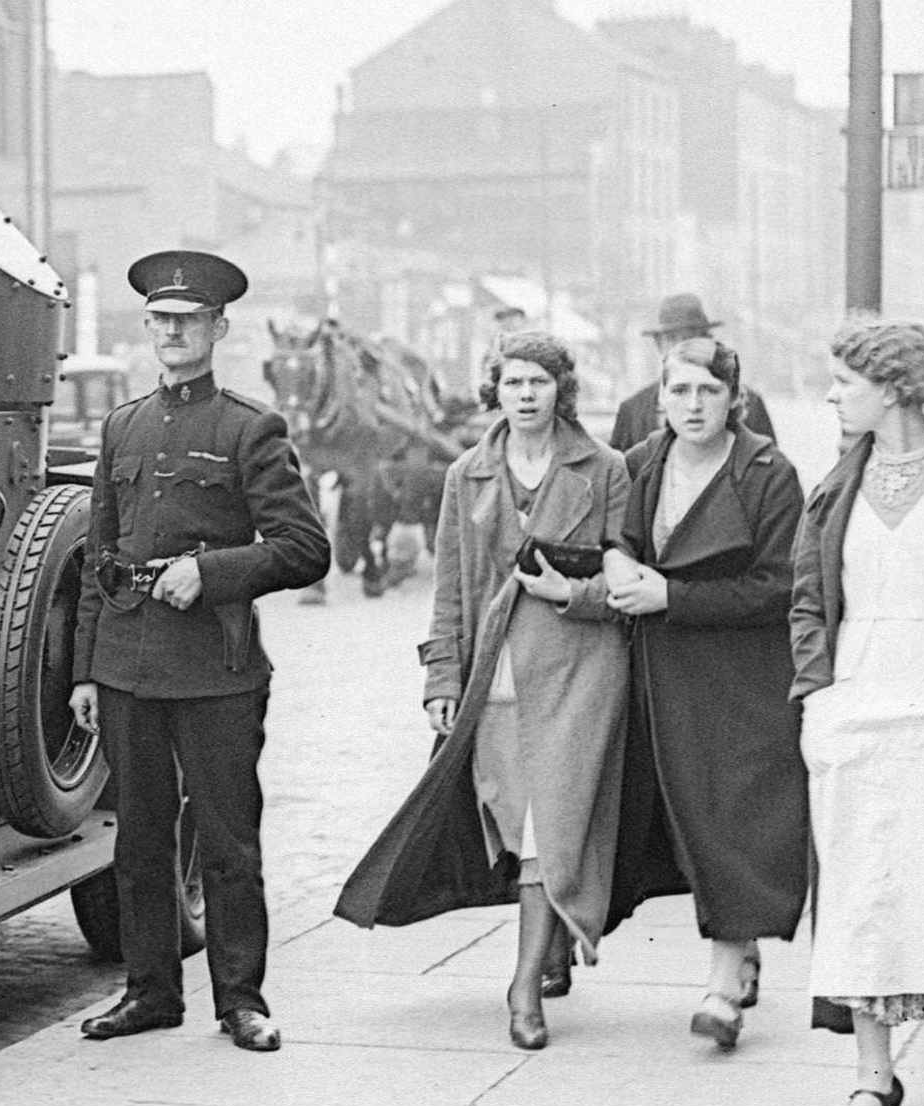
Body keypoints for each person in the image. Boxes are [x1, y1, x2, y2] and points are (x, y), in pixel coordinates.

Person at [336, 332, 631, 1050]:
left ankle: (523, 988)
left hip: (578, 669)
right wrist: (442, 676)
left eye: (540, 382)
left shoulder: (607, 469)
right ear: (493, 391)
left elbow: (627, 578)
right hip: (493, 676)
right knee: (509, 816)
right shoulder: (465, 474)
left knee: (547, 824)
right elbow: (447, 592)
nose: (526, 395)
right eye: (513, 382)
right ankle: (552, 937)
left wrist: (574, 591)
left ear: (562, 390)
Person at [71, 250, 331, 1054]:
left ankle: (241, 1001)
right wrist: (85, 670)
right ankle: (150, 993)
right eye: (161, 319)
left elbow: (305, 548)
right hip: (126, 666)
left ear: (218, 329)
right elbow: (98, 560)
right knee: (138, 841)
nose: (173, 332)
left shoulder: (250, 429)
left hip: (216, 669)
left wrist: (210, 573)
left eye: (189, 320)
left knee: (226, 841)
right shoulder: (124, 425)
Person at [600, 338, 807, 1051]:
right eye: (680, 392)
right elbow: (618, 537)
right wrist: (620, 565)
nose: (693, 406)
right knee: (688, 815)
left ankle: (723, 985)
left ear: (733, 399)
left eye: (708, 393)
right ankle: (739, 950)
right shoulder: (641, 463)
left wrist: (671, 595)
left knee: (735, 816)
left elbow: (782, 584)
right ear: (660, 398)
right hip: (665, 670)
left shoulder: (768, 472)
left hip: (744, 674)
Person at [791, 319, 924, 1106]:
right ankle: (872, 1080)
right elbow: (809, 599)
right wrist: (818, 693)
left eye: (845, 380)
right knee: (860, 893)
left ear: (895, 388)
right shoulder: (837, 486)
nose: (834, 394)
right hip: (855, 708)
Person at [610, 295, 776, 451]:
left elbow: (769, 470)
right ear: (659, 345)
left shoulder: (748, 403)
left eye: (692, 337)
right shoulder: (633, 410)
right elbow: (619, 476)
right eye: (673, 338)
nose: (682, 347)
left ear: (709, 342)